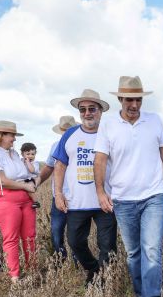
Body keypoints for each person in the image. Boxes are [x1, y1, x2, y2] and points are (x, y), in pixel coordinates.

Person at [95, 76, 163, 297]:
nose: (134, 104)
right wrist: (101, 191)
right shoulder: (108, 125)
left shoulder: (154, 120)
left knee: (152, 250)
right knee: (134, 253)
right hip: (123, 199)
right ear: (120, 99)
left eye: (138, 99)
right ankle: (140, 292)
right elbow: (100, 160)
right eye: (129, 99)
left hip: (153, 195)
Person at [51, 89, 118, 285]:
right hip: (77, 202)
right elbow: (60, 165)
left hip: (105, 200)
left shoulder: (111, 133)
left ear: (100, 111)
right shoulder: (70, 134)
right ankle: (93, 268)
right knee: (75, 242)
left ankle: (102, 281)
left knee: (107, 245)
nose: (87, 113)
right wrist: (58, 193)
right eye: (83, 109)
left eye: (92, 109)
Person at [0, 121, 37, 282]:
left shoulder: (14, 154)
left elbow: (25, 175)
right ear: (1, 135)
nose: (14, 139)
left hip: (25, 198)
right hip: (5, 199)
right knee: (11, 237)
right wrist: (25, 186)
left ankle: (32, 272)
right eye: (11, 135)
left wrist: (29, 185)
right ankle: (15, 276)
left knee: (30, 236)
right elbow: (0, 180)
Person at [39, 115, 78, 259]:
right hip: (59, 196)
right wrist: (36, 183)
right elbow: (49, 167)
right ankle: (59, 259)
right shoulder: (55, 146)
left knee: (76, 233)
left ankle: (77, 260)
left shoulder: (80, 144)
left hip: (76, 198)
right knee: (56, 230)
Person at [19, 142, 41, 209]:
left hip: (31, 179)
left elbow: (32, 170)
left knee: (30, 189)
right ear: (22, 154)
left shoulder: (35, 163)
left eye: (32, 154)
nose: (30, 156)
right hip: (23, 179)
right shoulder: (21, 161)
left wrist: (28, 162)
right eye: (28, 154)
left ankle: (36, 202)